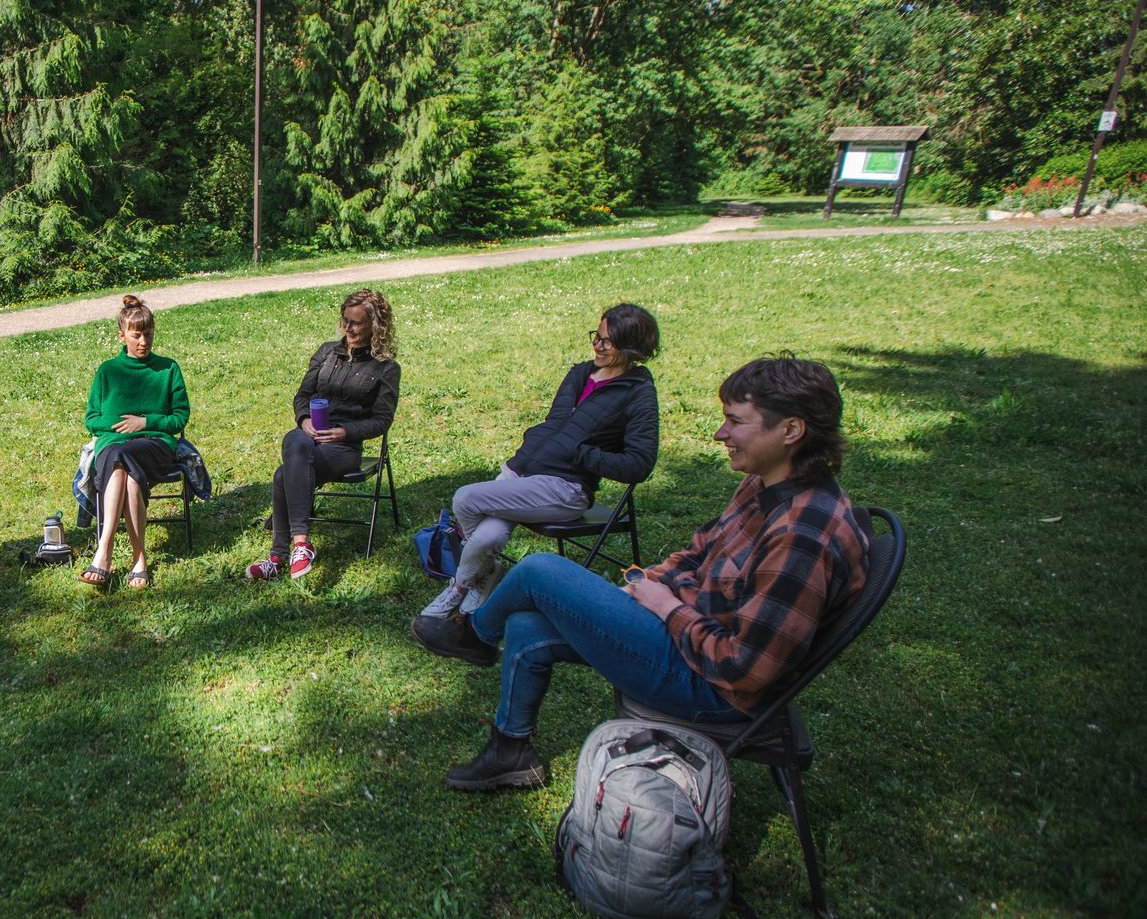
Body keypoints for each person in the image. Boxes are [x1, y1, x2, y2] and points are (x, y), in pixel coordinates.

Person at [414, 355, 870, 792]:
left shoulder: (802, 535)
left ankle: (475, 633)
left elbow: (743, 670)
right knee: (528, 624)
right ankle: (510, 751)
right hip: (688, 632)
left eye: (735, 421)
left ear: (791, 430)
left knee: (538, 569)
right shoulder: (765, 485)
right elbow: (699, 550)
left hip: (711, 689)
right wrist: (648, 585)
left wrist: (666, 606)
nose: (719, 433)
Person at [415, 303, 660, 621]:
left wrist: (583, 454)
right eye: (596, 337)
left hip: (564, 487)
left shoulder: (638, 392)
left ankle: (460, 587)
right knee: (487, 538)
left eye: (607, 341)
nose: (597, 346)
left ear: (631, 348)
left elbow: (640, 464)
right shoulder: (581, 373)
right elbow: (556, 423)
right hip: (523, 470)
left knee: (466, 497)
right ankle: (487, 574)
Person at [246, 288, 401, 580]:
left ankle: (279, 555)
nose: (348, 328)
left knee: (283, 475)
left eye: (356, 323)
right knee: (295, 440)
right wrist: (304, 419)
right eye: (345, 320)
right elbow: (302, 395)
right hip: (307, 438)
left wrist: (345, 431)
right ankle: (299, 545)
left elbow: (382, 421)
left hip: (343, 449)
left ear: (375, 326)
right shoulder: (326, 352)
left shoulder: (386, 368)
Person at [79, 294, 190, 590]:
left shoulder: (168, 369)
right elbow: (92, 419)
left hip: (154, 443)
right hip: (115, 445)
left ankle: (104, 551)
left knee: (122, 456)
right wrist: (118, 426)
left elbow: (179, 418)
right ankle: (138, 560)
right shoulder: (108, 371)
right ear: (122, 335)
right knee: (123, 468)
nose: (143, 340)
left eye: (148, 333)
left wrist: (145, 422)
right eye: (136, 334)